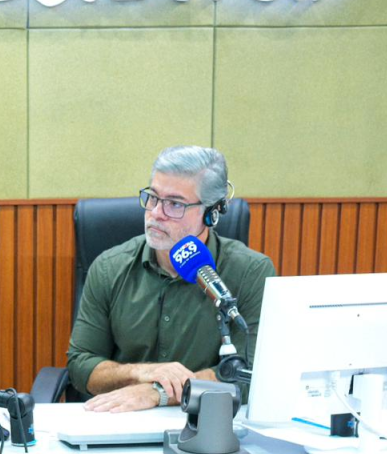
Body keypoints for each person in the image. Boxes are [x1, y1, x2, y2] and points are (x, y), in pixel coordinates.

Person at [67, 146, 275, 413]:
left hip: (207, 417)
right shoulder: (109, 267)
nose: (156, 213)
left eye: (175, 204)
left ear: (211, 213)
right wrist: (141, 373)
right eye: (153, 198)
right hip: (121, 416)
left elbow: (248, 372)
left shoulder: (250, 272)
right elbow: (80, 367)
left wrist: (159, 393)